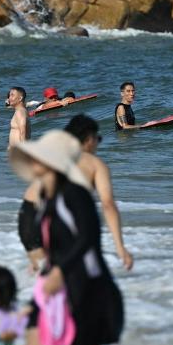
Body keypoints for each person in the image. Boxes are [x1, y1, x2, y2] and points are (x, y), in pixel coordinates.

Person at [10, 130, 124, 345]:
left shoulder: (75, 195)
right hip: (54, 289)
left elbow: (88, 239)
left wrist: (61, 270)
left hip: (88, 291)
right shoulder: (46, 199)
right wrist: (36, 294)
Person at [66, 115, 134, 271]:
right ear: (89, 138)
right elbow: (108, 205)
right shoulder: (95, 165)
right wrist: (120, 248)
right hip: (79, 228)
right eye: (98, 138)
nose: (97, 143)